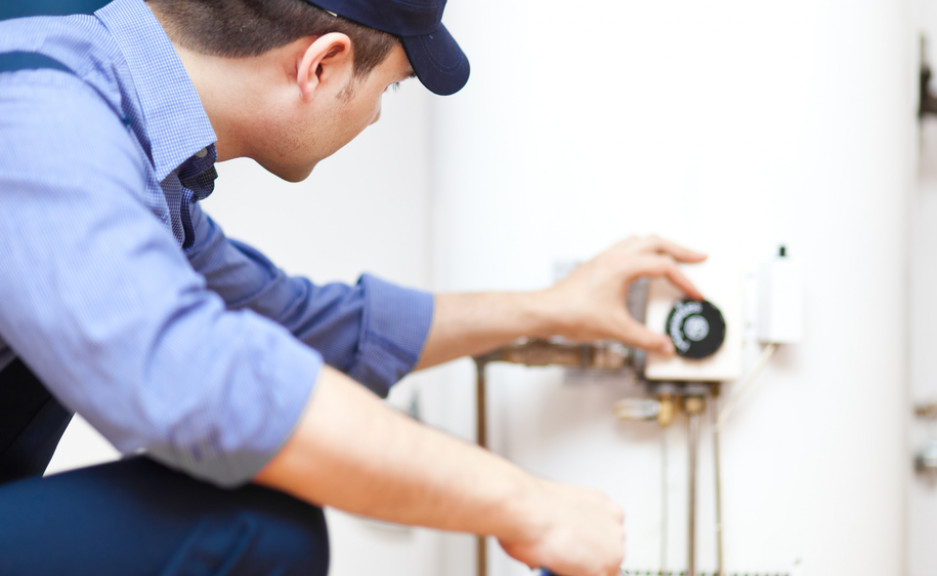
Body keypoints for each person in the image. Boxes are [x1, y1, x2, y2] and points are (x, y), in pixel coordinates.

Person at [0, 0, 707, 574]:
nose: (375, 114)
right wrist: (526, 503)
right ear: (323, 65)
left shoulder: (135, 148)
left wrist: (550, 311)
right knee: (255, 526)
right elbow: (201, 382)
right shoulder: (43, 112)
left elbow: (296, 325)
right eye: (390, 87)